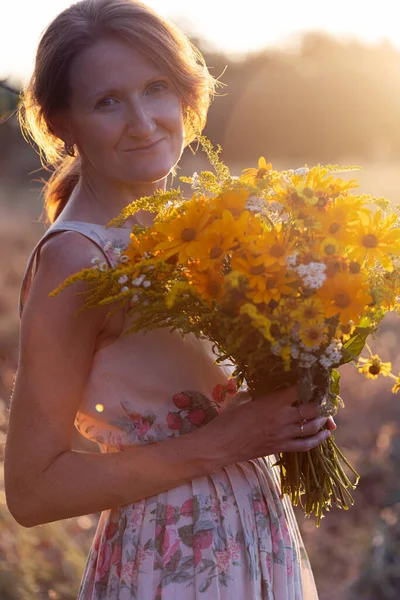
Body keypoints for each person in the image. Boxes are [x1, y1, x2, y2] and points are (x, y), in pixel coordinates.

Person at [4, 1, 336, 597]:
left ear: (186, 96)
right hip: (174, 554)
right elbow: (32, 491)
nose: (143, 121)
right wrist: (225, 442)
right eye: (108, 101)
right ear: (63, 125)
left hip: (255, 531)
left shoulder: (199, 229)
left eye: (156, 88)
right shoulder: (76, 259)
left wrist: (299, 385)